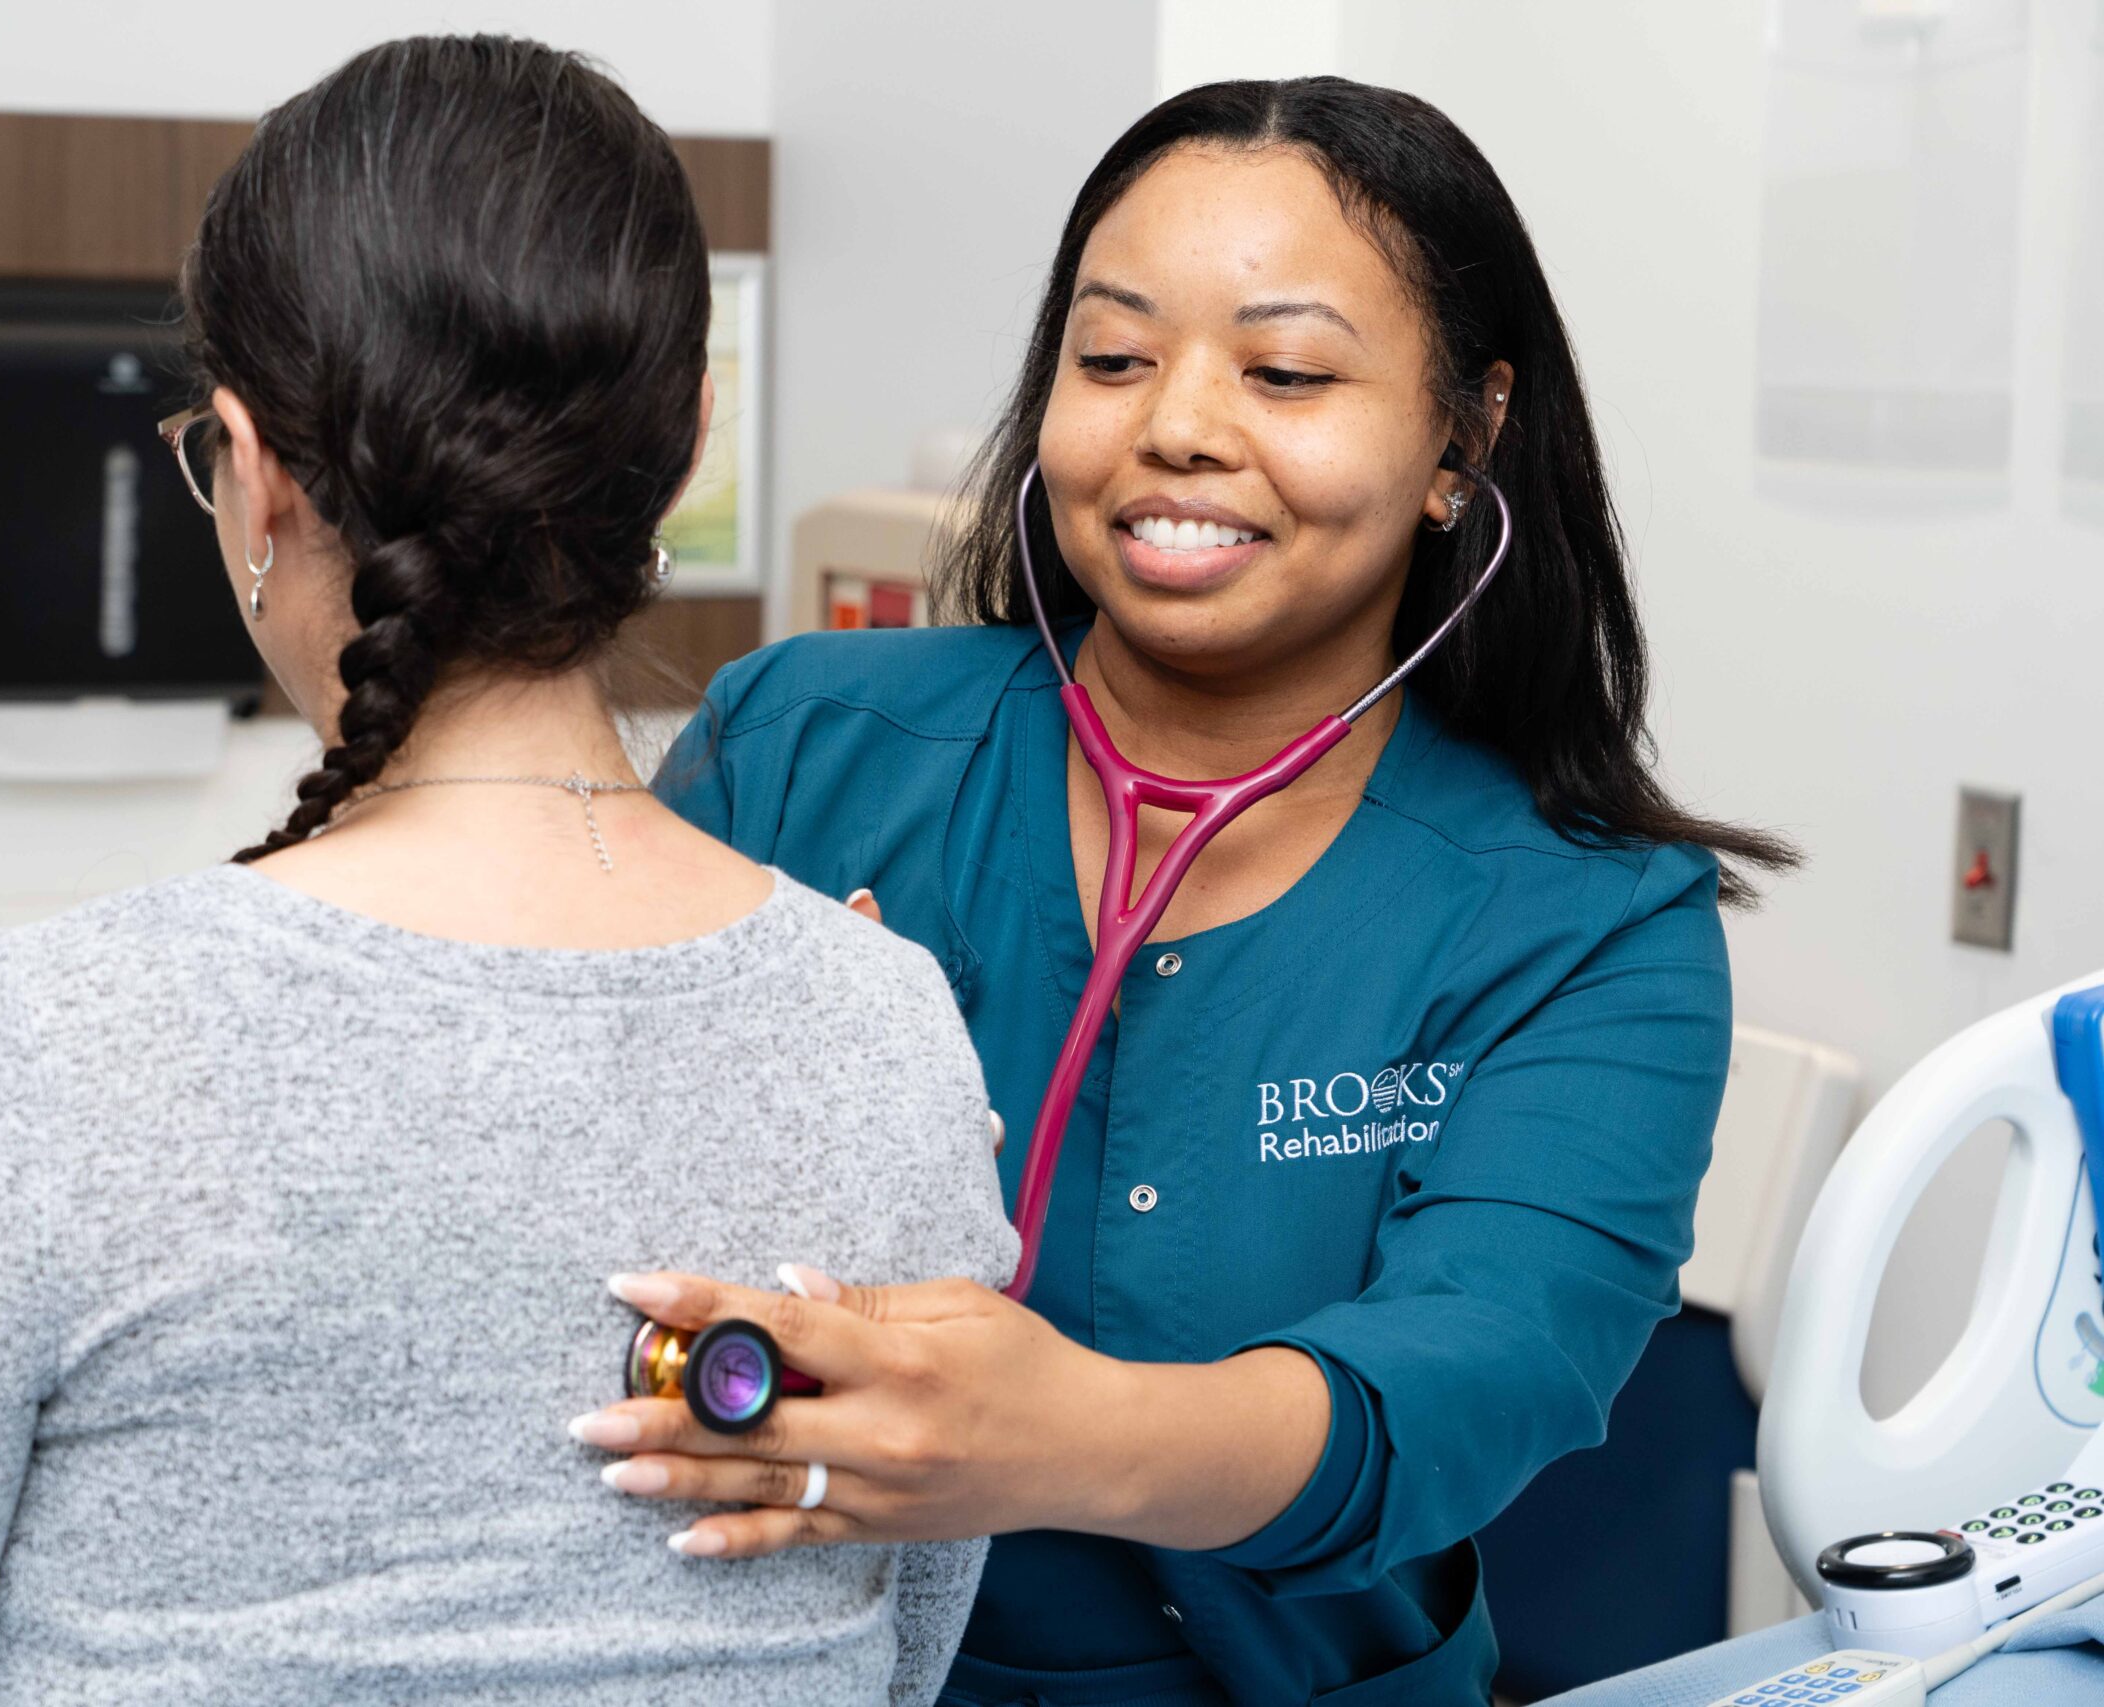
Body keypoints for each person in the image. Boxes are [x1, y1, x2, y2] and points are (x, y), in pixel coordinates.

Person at [0, 36, 1015, 1707]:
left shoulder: (55, 1040)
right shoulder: (889, 1033)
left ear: (252, 472)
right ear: (688, 441)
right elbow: (901, 1667)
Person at [588, 77, 1796, 1705]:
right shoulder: (800, 750)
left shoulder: (1588, 923)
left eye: (1286, 370)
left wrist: (1051, 1437)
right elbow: (563, 1207)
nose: (1177, 424)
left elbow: (1470, 1381)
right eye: (1113, 356)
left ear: (1466, 437)